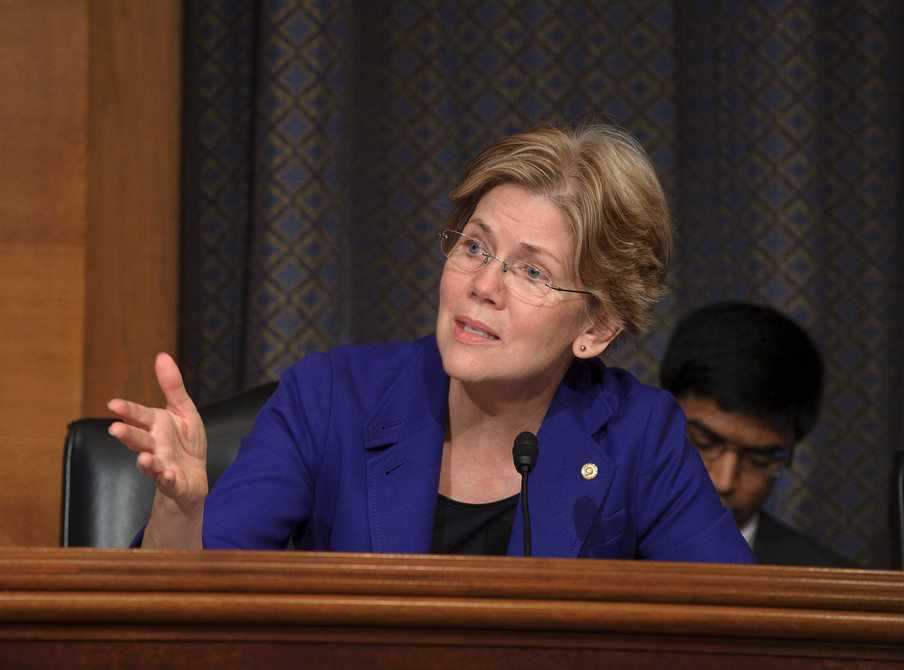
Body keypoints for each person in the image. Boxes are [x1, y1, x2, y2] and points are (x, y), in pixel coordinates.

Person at [108, 123, 754, 563]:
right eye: (475, 247)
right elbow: (177, 607)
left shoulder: (641, 438)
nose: (482, 285)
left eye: (531, 271)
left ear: (596, 328)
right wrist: (179, 510)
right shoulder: (332, 399)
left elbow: (738, 629)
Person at [659, 302, 855, 568]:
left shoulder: (835, 589)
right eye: (704, 442)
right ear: (658, 416)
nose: (724, 481)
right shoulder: (591, 545)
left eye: (760, 458)